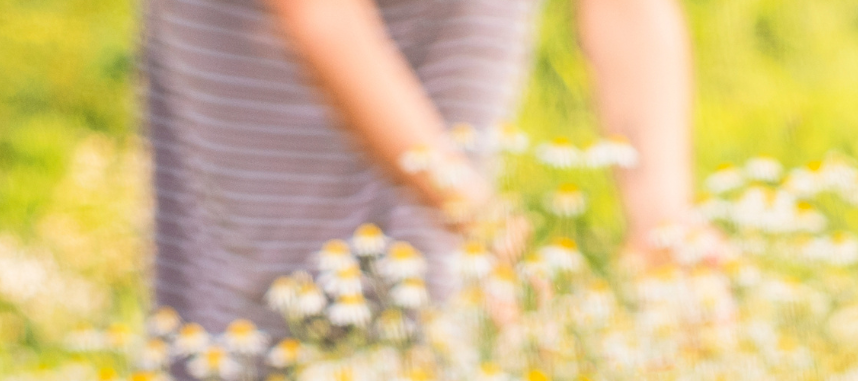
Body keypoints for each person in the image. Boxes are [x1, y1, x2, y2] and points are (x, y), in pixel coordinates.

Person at [145, 0, 702, 332]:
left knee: (435, 292)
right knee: (285, 311)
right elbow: (318, 14)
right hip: (262, 45)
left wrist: (663, 222)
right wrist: (484, 225)